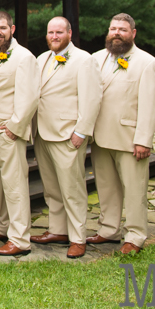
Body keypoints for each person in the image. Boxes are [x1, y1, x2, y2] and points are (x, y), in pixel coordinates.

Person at [87, 14, 155, 255]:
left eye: (122, 29)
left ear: (133, 33)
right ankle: (108, 229)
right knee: (106, 187)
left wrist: (144, 139)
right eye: (113, 29)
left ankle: (135, 235)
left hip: (130, 138)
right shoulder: (95, 59)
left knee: (134, 190)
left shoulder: (147, 63)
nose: (116, 33)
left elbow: (152, 105)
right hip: (99, 136)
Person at [30, 16, 102, 259]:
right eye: (50, 32)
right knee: (51, 188)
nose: (54, 36)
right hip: (43, 132)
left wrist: (81, 131)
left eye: (59, 32)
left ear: (69, 33)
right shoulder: (41, 59)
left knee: (72, 189)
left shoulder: (84, 59)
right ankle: (58, 230)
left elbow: (92, 98)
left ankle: (78, 237)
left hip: (67, 135)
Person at [0, 10, 39, 257]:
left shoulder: (24, 57)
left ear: (12, 29)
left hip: (7, 130)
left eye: (3, 28)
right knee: (0, 183)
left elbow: (30, 96)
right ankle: (4, 225)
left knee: (15, 185)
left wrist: (15, 126)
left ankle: (20, 238)